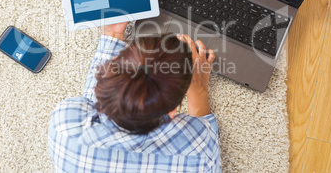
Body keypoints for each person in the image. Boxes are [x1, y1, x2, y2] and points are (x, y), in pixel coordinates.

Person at [48, 22, 221, 172]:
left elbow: (95, 106)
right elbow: (208, 136)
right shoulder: (198, 151)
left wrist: (112, 34)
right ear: (172, 111)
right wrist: (198, 90)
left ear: (113, 61)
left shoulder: (65, 124)